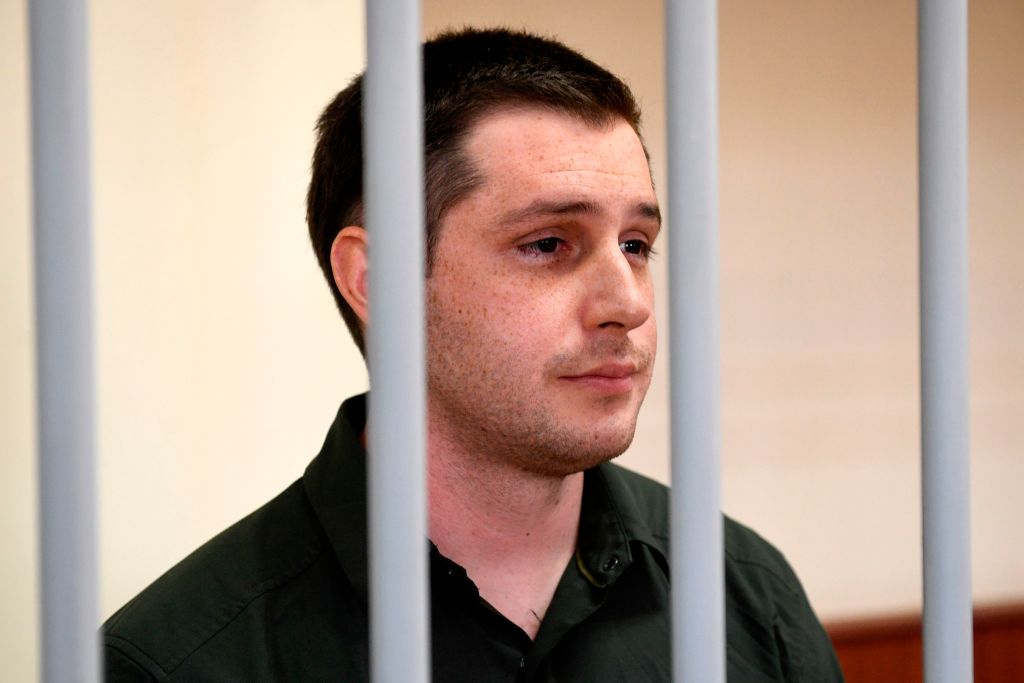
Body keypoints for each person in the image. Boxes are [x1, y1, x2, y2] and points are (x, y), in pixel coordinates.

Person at [103, 28, 844, 681]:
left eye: (635, 245)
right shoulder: (179, 663)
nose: (630, 303)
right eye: (548, 243)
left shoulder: (746, 596)